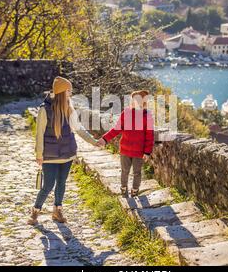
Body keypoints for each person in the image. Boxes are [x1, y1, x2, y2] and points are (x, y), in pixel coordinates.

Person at [28, 77, 99, 225]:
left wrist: (94, 141)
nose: (71, 93)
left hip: (67, 154)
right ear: (61, 92)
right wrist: (39, 154)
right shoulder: (44, 109)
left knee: (62, 182)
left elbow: (78, 129)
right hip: (50, 156)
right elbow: (39, 133)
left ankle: (57, 210)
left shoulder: (69, 107)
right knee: (47, 186)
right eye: (68, 91)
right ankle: (35, 211)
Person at [98, 90, 154, 197]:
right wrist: (104, 139)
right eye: (132, 99)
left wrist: (147, 152)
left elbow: (149, 136)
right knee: (125, 171)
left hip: (139, 152)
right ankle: (123, 188)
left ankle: (135, 190)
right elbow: (116, 129)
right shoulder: (126, 113)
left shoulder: (147, 116)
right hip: (125, 150)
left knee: (137, 172)